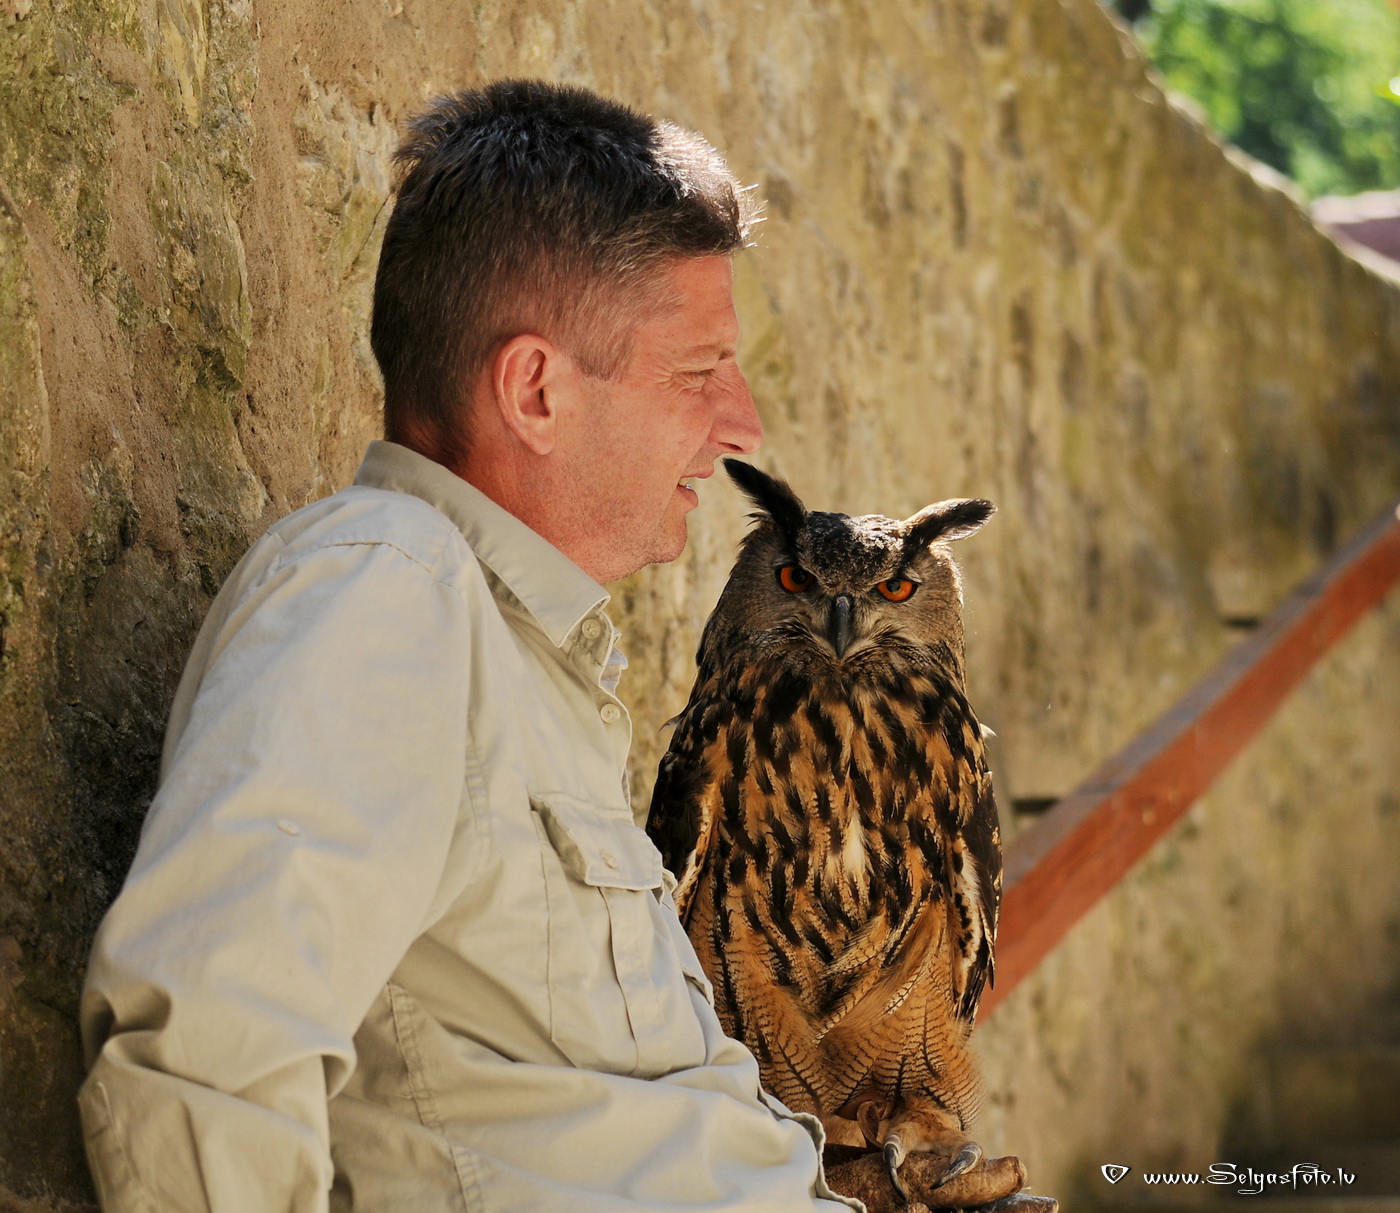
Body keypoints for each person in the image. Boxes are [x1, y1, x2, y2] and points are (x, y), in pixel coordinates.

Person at [76, 80, 863, 1213]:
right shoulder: (388, 587)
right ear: (535, 390)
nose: (742, 425)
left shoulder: (513, 651)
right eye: (698, 374)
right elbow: (210, 1049)